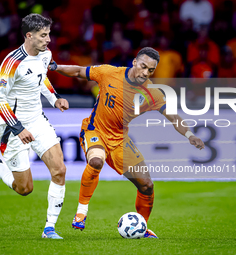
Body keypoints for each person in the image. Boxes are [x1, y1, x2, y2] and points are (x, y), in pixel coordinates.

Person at [50, 47, 205, 238]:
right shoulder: (109, 73)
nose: (145, 73)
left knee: (147, 185)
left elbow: (173, 117)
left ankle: (142, 226)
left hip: (120, 139)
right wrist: (56, 66)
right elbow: (79, 71)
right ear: (134, 62)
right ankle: (81, 212)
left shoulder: (152, 93)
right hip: (94, 130)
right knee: (96, 161)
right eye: (143, 66)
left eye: (150, 70)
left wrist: (190, 134)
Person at [0, 13, 69, 239]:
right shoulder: (12, 62)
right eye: (43, 35)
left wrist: (55, 98)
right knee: (24, 188)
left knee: (60, 170)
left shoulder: (45, 55)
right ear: (29, 36)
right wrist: (17, 128)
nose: (49, 40)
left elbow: (41, 78)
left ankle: (49, 229)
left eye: (49, 34)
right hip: (13, 126)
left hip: (38, 120)